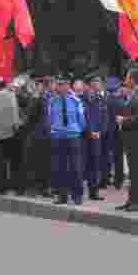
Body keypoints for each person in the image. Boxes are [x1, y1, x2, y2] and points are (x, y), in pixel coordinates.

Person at [115, 68, 138, 212]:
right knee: (133, 172)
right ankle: (131, 200)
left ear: (133, 79)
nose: (125, 79)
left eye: (127, 77)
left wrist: (124, 120)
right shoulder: (134, 94)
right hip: (131, 139)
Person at [48, 74, 85, 205]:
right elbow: (50, 118)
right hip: (58, 136)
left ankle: (77, 195)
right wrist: (55, 130)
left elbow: (81, 120)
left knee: (76, 166)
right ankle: (61, 195)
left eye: (63, 84)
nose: (60, 86)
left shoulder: (75, 100)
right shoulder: (52, 101)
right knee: (59, 167)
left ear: (68, 85)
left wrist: (76, 130)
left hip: (73, 136)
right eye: (59, 84)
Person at [82, 76, 108, 201]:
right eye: (96, 82)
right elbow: (81, 118)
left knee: (95, 165)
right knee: (82, 164)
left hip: (97, 137)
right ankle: (78, 191)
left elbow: (105, 118)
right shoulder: (82, 99)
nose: (98, 85)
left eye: (99, 82)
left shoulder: (101, 99)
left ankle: (94, 192)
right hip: (85, 137)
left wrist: (100, 132)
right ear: (91, 84)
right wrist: (89, 131)